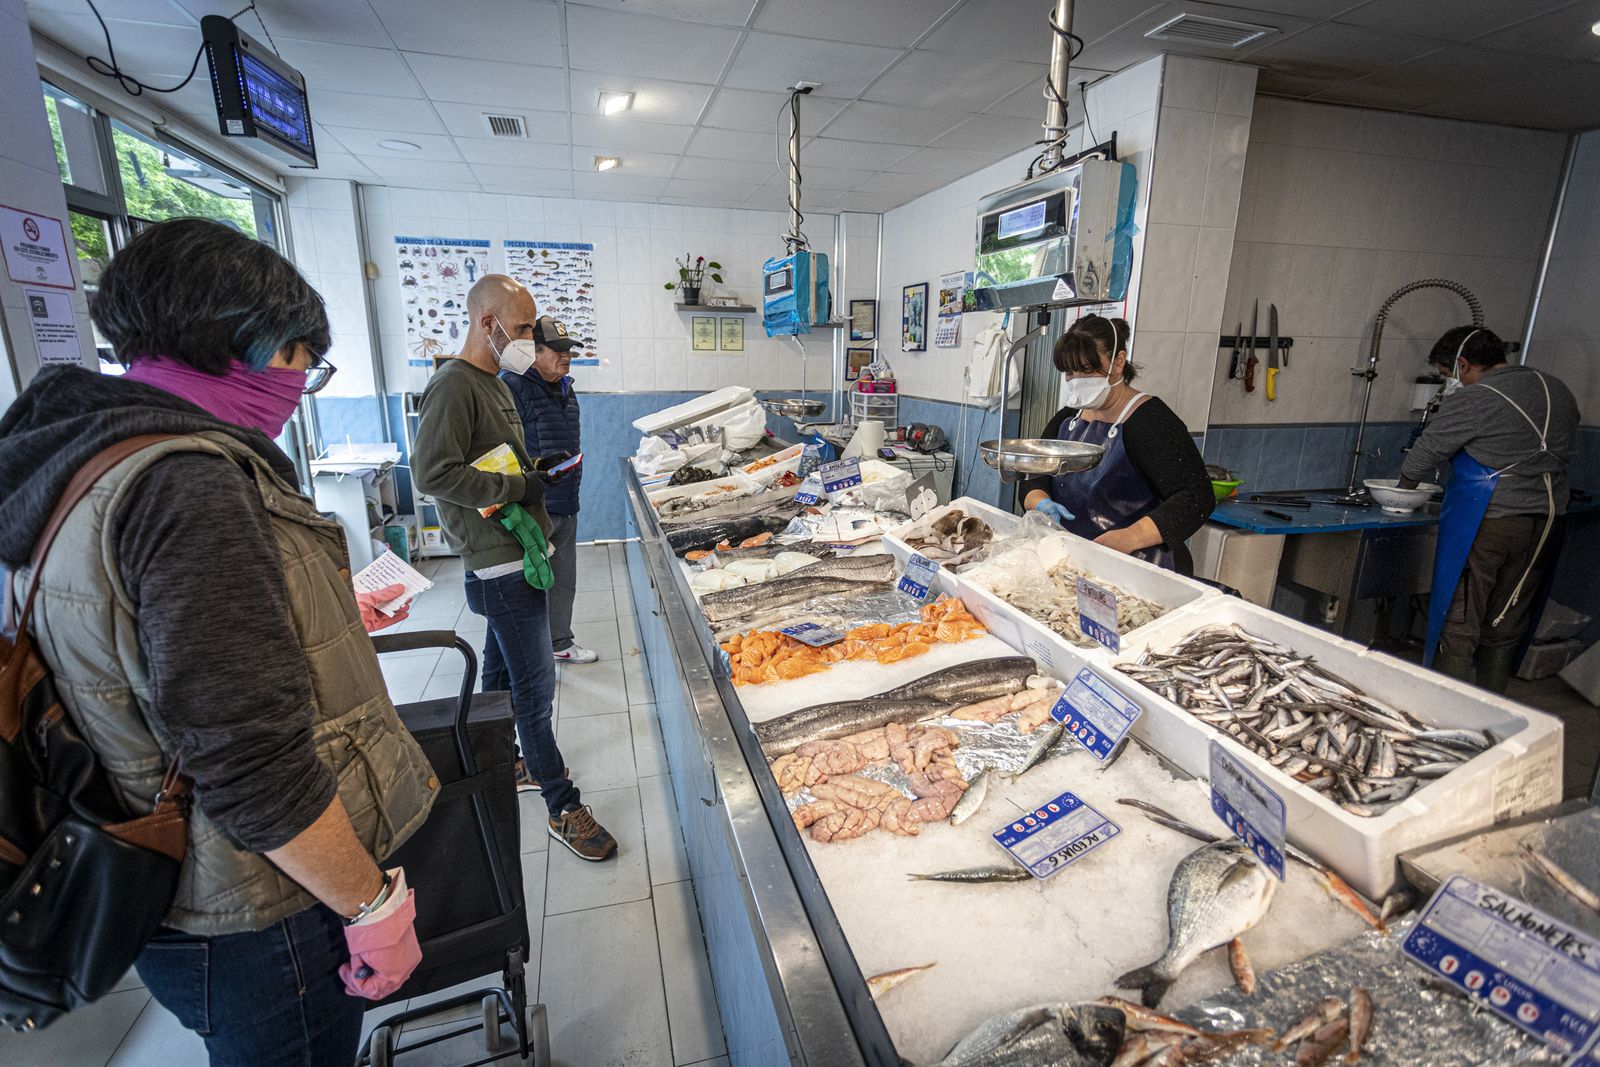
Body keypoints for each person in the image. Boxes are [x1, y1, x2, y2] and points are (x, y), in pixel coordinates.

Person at [0, 218, 438, 1063]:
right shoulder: (189, 483)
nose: (300, 384)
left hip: (156, 878)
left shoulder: (80, 452)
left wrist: (306, 611)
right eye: (302, 361)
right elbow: (250, 761)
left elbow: (136, 644)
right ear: (249, 347)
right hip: (258, 907)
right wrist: (373, 906)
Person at [411, 275, 616, 862]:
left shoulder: (492, 382)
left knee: (500, 675)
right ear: (487, 324)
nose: (528, 338)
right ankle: (562, 804)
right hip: (498, 562)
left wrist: (536, 475)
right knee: (535, 687)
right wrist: (517, 484)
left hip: (519, 547)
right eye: (522, 328)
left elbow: (497, 453)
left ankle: (503, 759)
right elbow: (431, 473)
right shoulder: (453, 385)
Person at [1400, 326, 1579, 692]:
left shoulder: (1477, 397)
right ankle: (1494, 709)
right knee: (1507, 616)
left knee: (1461, 615)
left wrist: (1400, 495)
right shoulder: (1557, 390)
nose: (1451, 383)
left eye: (1447, 375)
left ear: (1463, 364)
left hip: (1491, 521)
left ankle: (1449, 715)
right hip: (1548, 520)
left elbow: (1422, 458)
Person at [1020, 314, 1213, 574]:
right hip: (1075, 560)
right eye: (1069, 372)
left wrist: (1130, 537)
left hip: (1141, 567)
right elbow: (1035, 475)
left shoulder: (1150, 421)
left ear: (1118, 361)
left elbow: (1196, 497)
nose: (1077, 379)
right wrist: (1041, 503)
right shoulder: (1068, 419)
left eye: (1087, 370)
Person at [500, 316, 596, 665]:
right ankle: (527, 650)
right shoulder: (514, 387)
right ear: (532, 352)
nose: (564, 356)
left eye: (566, 350)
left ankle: (559, 641)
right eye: (554, 350)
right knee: (528, 580)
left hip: (567, 498)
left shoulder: (565, 388)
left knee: (563, 577)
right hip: (534, 502)